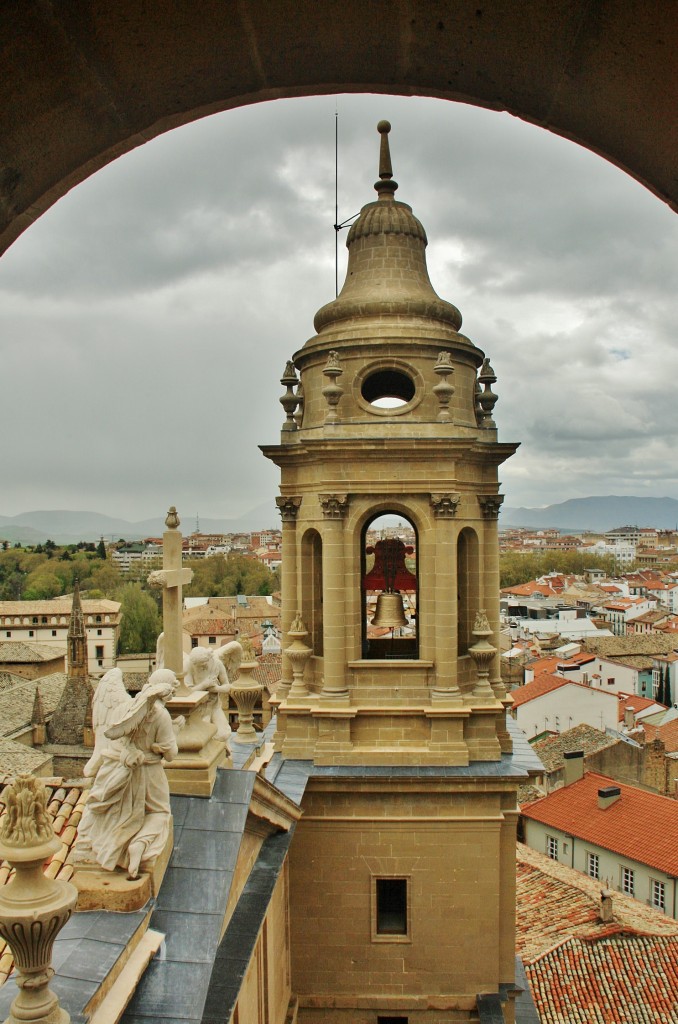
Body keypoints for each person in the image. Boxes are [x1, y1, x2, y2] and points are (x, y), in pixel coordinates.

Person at [77, 669, 184, 878]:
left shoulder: (123, 707)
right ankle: (139, 843)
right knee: (159, 812)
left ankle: (110, 843)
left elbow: (113, 737)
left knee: (111, 810)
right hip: (149, 773)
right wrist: (175, 732)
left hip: (117, 770)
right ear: (166, 690)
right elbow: (170, 755)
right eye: (173, 689)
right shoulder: (161, 715)